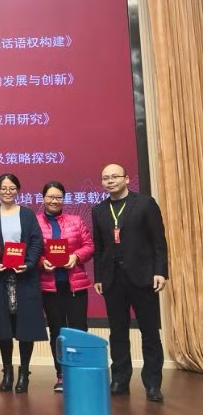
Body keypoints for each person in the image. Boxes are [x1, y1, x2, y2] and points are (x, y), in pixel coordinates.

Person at [92, 164, 168, 403]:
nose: (110, 181)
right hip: (113, 280)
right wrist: (98, 277)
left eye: (115, 176)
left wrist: (160, 272)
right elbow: (99, 247)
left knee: (149, 333)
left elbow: (159, 242)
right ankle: (120, 380)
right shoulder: (98, 210)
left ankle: (152, 383)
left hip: (143, 277)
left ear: (126, 179)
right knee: (118, 333)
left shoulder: (145, 204)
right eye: (105, 178)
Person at [0, 173, 46, 393]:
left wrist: (29, 263)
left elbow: (37, 242)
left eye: (11, 188)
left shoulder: (27, 214)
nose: (7, 192)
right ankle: (7, 371)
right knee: (4, 327)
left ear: (18, 190)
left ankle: (24, 372)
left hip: (24, 277)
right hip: (0, 278)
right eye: (3, 188)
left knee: (25, 327)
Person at [37, 181, 94, 392]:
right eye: (50, 197)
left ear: (64, 199)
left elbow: (89, 246)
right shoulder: (35, 222)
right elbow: (32, 250)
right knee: (57, 331)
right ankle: (61, 374)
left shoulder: (76, 221)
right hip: (50, 287)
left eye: (58, 197)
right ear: (43, 198)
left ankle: (80, 372)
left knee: (79, 330)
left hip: (75, 286)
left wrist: (75, 256)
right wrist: (42, 261)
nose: (54, 201)